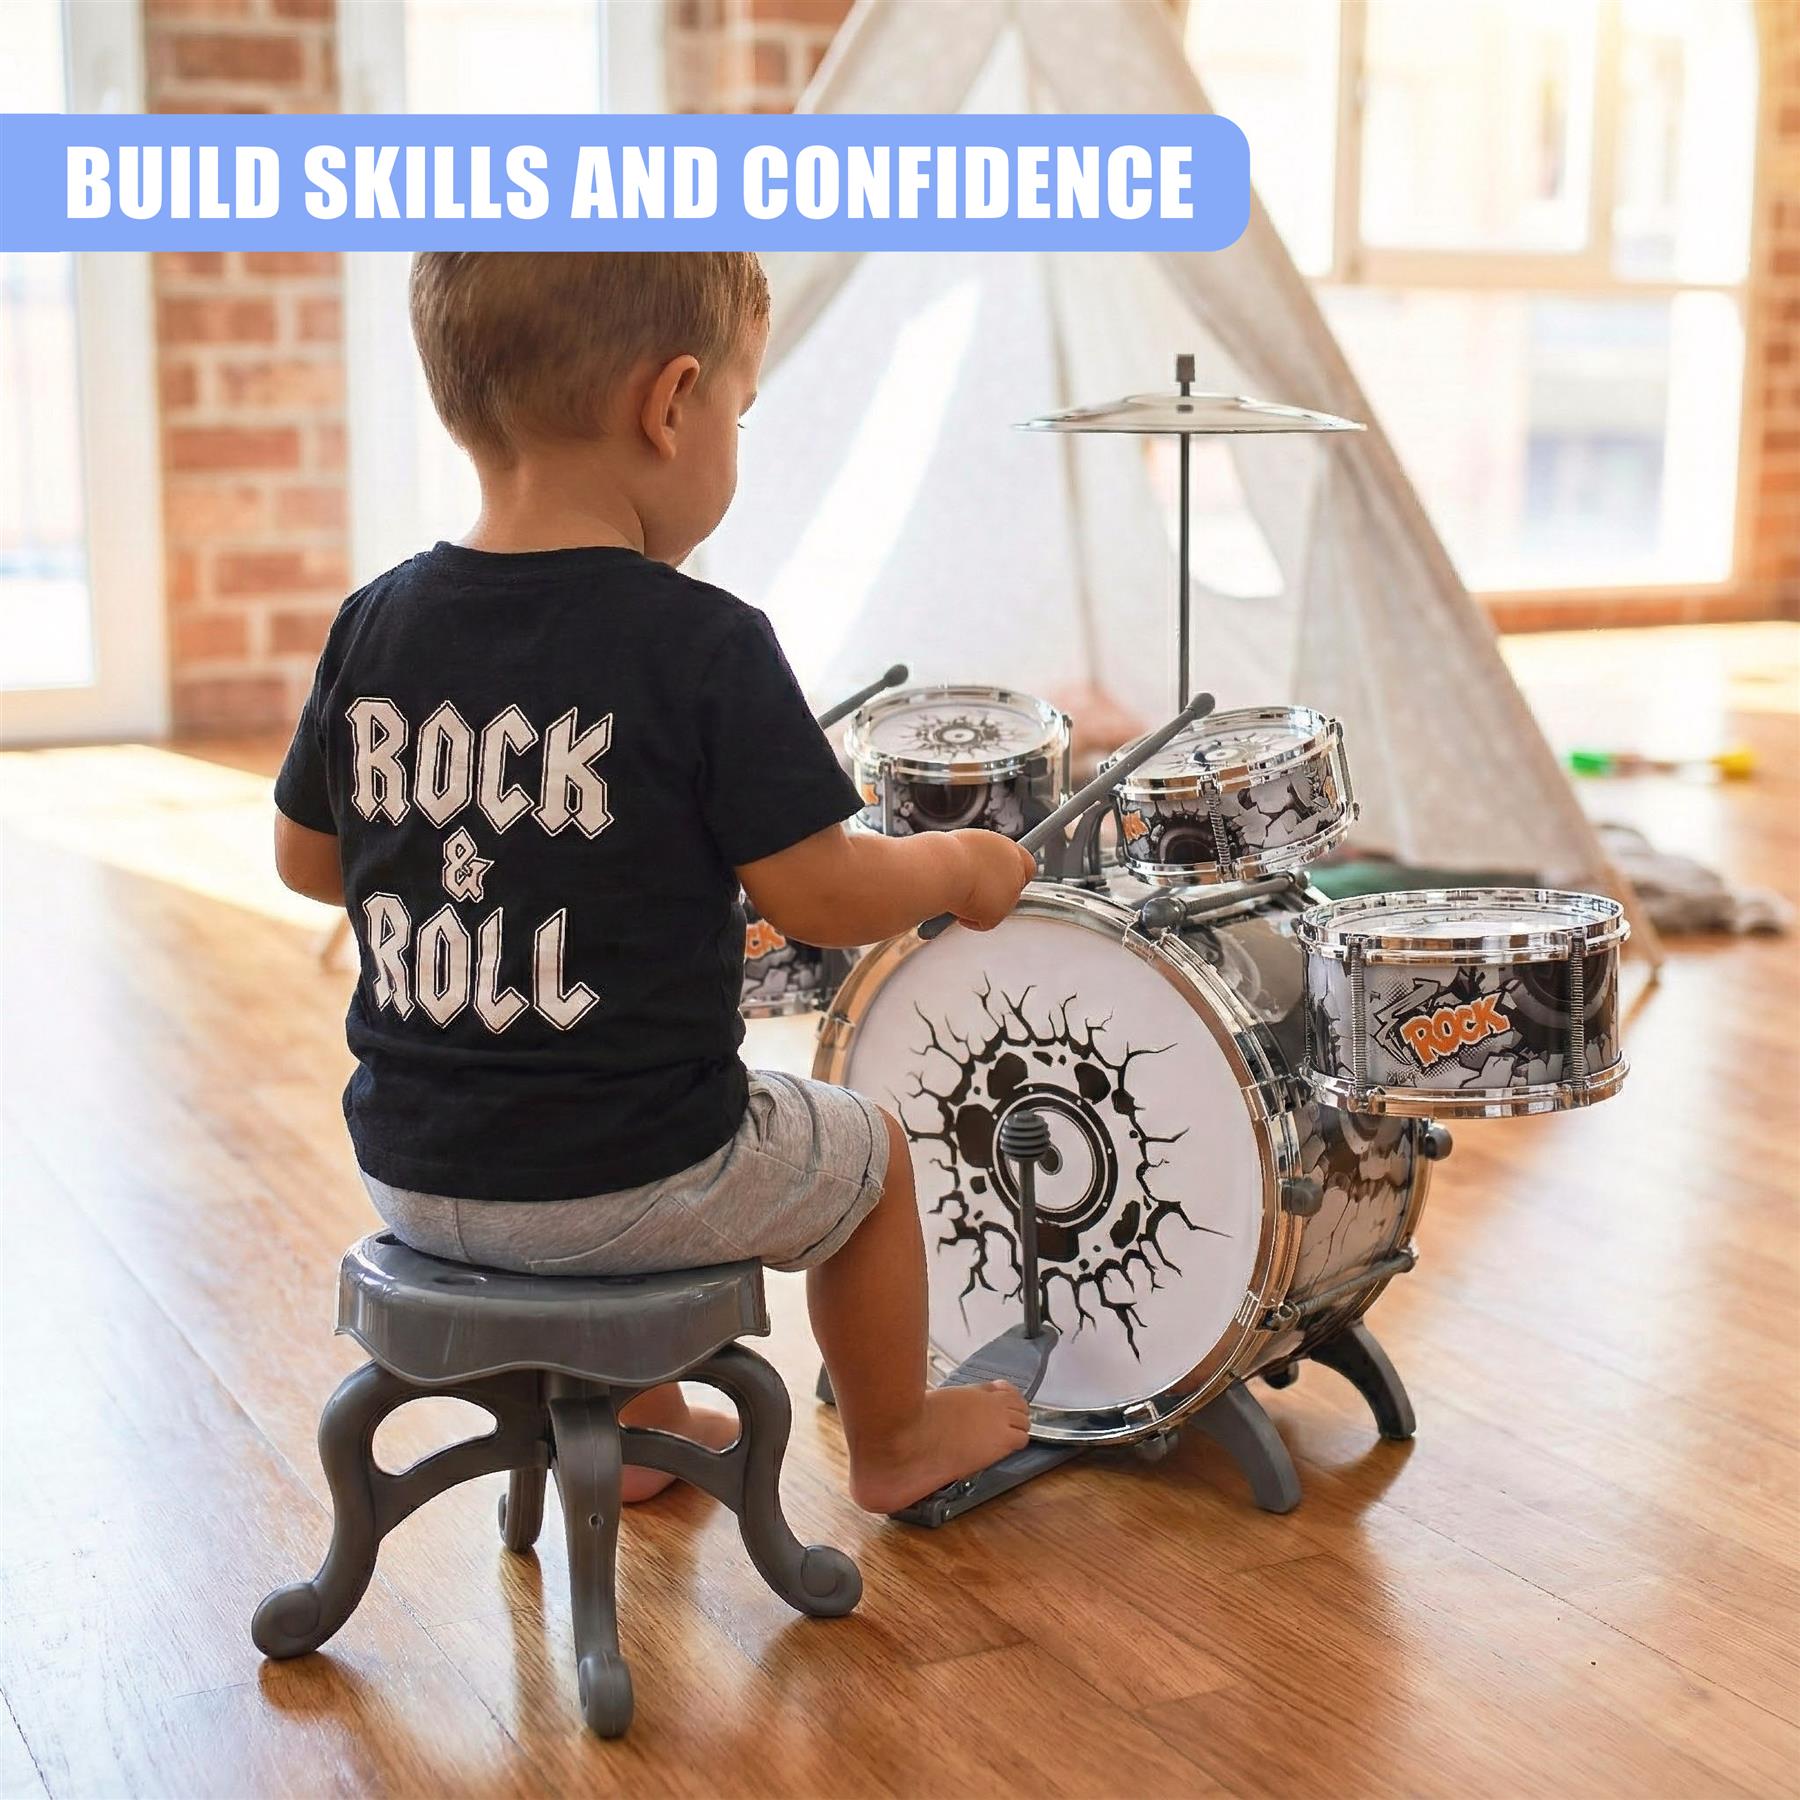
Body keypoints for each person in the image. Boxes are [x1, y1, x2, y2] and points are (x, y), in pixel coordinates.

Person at [272, 252, 1035, 1513]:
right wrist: (959, 861)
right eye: (738, 410)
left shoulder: (377, 622)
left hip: (410, 1167)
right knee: (868, 1156)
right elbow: (826, 898)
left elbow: (306, 861)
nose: (731, 436)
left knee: (598, 1113)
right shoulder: (703, 643)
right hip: (628, 1176)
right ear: (670, 404)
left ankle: (630, 1422)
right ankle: (900, 1442)